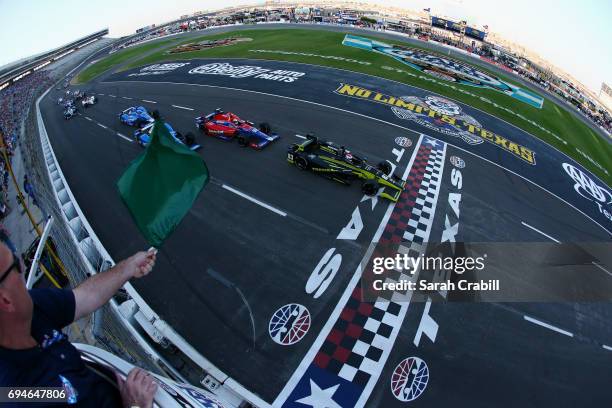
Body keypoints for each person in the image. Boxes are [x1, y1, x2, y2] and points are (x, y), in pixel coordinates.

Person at [0, 237, 159, 407]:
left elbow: (84, 297)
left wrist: (129, 266)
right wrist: (134, 404)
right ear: (5, 300)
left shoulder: (30, 309)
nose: (24, 267)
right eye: (16, 265)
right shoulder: (18, 395)